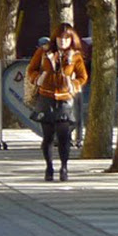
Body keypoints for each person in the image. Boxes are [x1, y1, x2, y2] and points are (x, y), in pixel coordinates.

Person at [26, 22, 88, 182]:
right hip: (46, 97)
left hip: (65, 99)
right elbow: (31, 70)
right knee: (47, 137)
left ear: (71, 40)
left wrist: (73, 84)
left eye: (66, 39)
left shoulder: (75, 56)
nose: (62, 42)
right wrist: (39, 78)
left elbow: (83, 76)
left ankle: (64, 167)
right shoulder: (44, 52)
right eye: (60, 38)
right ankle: (49, 168)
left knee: (64, 136)